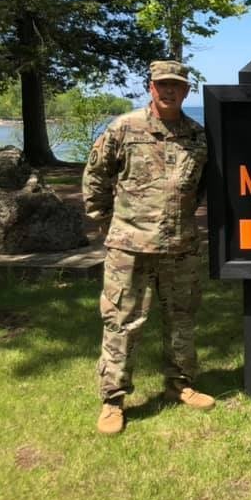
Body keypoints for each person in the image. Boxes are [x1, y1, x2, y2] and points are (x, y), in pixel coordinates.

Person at [84, 59, 213, 435]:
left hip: (181, 246)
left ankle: (181, 384)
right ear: (151, 88)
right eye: (163, 85)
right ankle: (113, 400)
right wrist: (107, 223)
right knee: (122, 323)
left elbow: (200, 186)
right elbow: (95, 177)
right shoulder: (125, 129)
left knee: (182, 319)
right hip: (129, 248)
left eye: (177, 85)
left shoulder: (197, 136)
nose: (170, 90)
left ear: (187, 91)